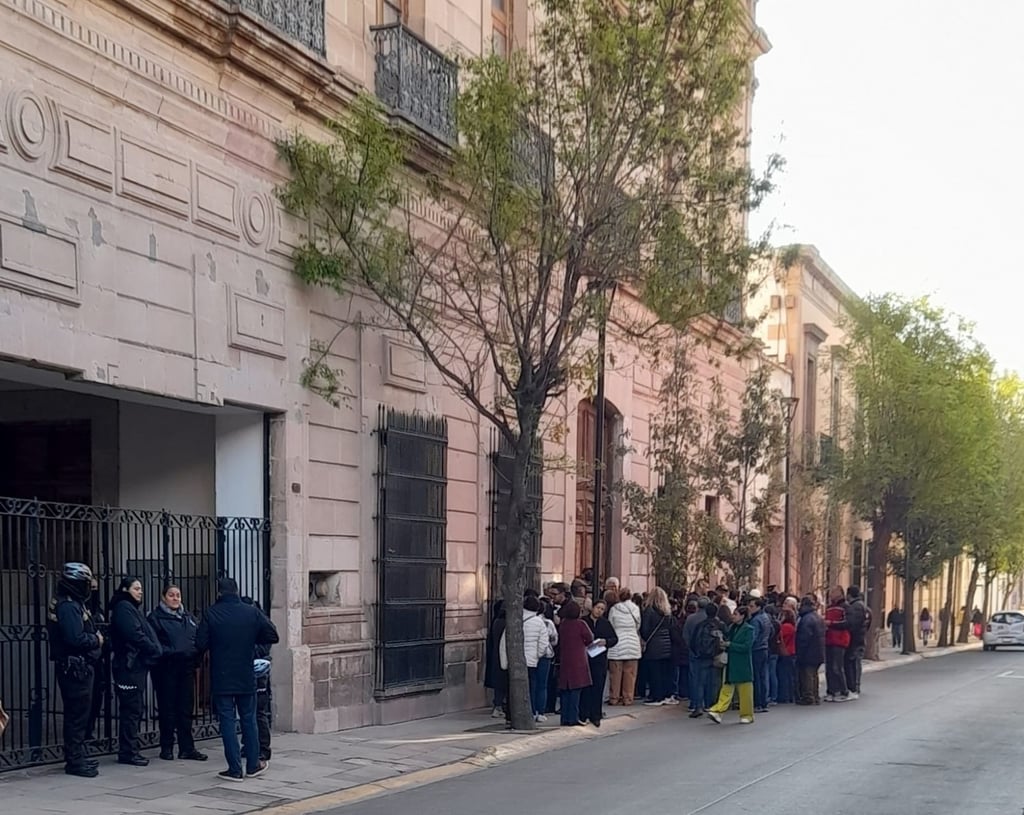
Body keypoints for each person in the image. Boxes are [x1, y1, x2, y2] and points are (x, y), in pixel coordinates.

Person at [196, 577, 279, 782]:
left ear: (219, 593)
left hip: (222, 675)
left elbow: (200, 643)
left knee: (227, 721)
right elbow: (272, 635)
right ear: (236, 591)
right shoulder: (251, 612)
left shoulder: (211, 613)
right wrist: (251, 640)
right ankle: (253, 765)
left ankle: (234, 769)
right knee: (249, 719)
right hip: (245, 674)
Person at [47, 562, 103, 777]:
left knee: (79, 714)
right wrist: (96, 639)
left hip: (77, 666)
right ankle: (75, 761)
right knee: (77, 716)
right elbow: (74, 637)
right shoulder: (68, 606)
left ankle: (78, 756)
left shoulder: (71, 602)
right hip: (74, 667)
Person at [148, 584, 207, 762]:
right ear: (164, 597)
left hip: (186, 668)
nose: (175, 598)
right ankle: (166, 747)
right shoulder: (155, 618)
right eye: (171, 595)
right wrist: (172, 652)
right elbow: (154, 643)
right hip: (166, 669)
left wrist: (195, 655)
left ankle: (187, 748)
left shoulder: (188, 617)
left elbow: (197, 638)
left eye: (178, 595)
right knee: (167, 709)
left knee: (186, 709)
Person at [109, 576, 162, 766]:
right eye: (136, 588)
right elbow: (134, 634)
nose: (140, 592)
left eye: (141, 588)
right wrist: (153, 648)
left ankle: (130, 748)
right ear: (125, 590)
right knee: (131, 710)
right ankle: (128, 751)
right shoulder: (124, 608)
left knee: (135, 709)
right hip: (128, 666)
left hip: (134, 665)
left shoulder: (129, 608)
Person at [498, 595, 548, 723]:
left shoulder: (515, 619)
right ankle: (529, 713)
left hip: (514, 661)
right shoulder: (539, 622)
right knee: (531, 687)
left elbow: (505, 640)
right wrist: (537, 656)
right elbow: (543, 644)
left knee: (512, 688)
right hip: (531, 661)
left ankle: (510, 715)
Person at [707, 605, 755, 724]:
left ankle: (747, 714)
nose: (733, 616)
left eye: (736, 614)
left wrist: (730, 645)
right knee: (726, 688)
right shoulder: (732, 628)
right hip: (731, 663)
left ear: (742, 616)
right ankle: (717, 711)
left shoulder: (749, 629)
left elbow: (747, 647)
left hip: (742, 664)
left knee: (745, 691)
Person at [554, 600, 593, 726]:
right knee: (576, 690)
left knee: (566, 690)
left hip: (565, 659)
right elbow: (589, 638)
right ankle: (573, 717)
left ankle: (564, 717)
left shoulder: (564, 624)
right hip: (578, 660)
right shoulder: (581, 624)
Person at [580, 599, 617, 727]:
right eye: (597, 608)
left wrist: (605, 642)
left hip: (599, 658)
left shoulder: (605, 623)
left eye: (602, 609)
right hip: (585, 658)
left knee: (598, 687)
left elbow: (614, 639)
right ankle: (584, 713)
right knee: (586, 688)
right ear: (593, 608)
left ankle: (596, 714)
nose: (599, 611)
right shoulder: (584, 621)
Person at [606, 588, 641, 706]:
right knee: (630, 673)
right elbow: (638, 625)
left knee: (615, 673)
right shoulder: (636, 609)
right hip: (632, 642)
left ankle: (614, 698)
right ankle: (628, 698)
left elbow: (610, 624)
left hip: (617, 642)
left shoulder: (614, 609)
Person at [640, 587, 674, 706]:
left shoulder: (649, 611)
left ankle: (656, 696)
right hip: (666, 644)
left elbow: (645, 629)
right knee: (664, 671)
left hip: (654, 644)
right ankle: (665, 695)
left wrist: (644, 639)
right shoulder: (667, 612)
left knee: (654, 672)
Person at [795, 595, 825, 705]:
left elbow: (804, 638)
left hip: (809, 651)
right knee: (814, 674)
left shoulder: (806, 619)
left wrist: (800, 652)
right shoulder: (817, 617)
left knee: (807, 674)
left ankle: (808, 696)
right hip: (818, 650)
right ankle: (815, 695)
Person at [823, 586, 850, 703]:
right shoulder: (829, 608)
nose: (831, 594)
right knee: (829, 668)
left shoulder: (845, 607)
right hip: (829, 639)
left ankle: (843, 691)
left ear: (840, 594)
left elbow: (847, 623)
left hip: (839, 640)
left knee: (837, 667)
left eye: (834, 592)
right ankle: (831, 691)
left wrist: (832, 623)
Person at [842, 586, 869, 699]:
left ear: (849, 595)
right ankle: (855, 686)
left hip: (855, 640)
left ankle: (854, 688)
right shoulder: (862, 606)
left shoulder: (856, 607)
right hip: (858, 638)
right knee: (854, 663)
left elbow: (852, 624)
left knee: (853, 663)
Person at [484, 600, 507, 718]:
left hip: (496, 656)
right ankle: (499, 706)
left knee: (499, 684)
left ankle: (498, 705)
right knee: (504, 683)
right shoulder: (506, 624)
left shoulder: (496, 622)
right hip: (504, 656)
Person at [776, 607, 797, 704]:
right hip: (791, 652)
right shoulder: (792, 626)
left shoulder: (785, 627)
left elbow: (780, 638)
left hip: (786, 652)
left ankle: (785, 696)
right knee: (790, 675)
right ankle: (791, 695)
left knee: (784, 675)